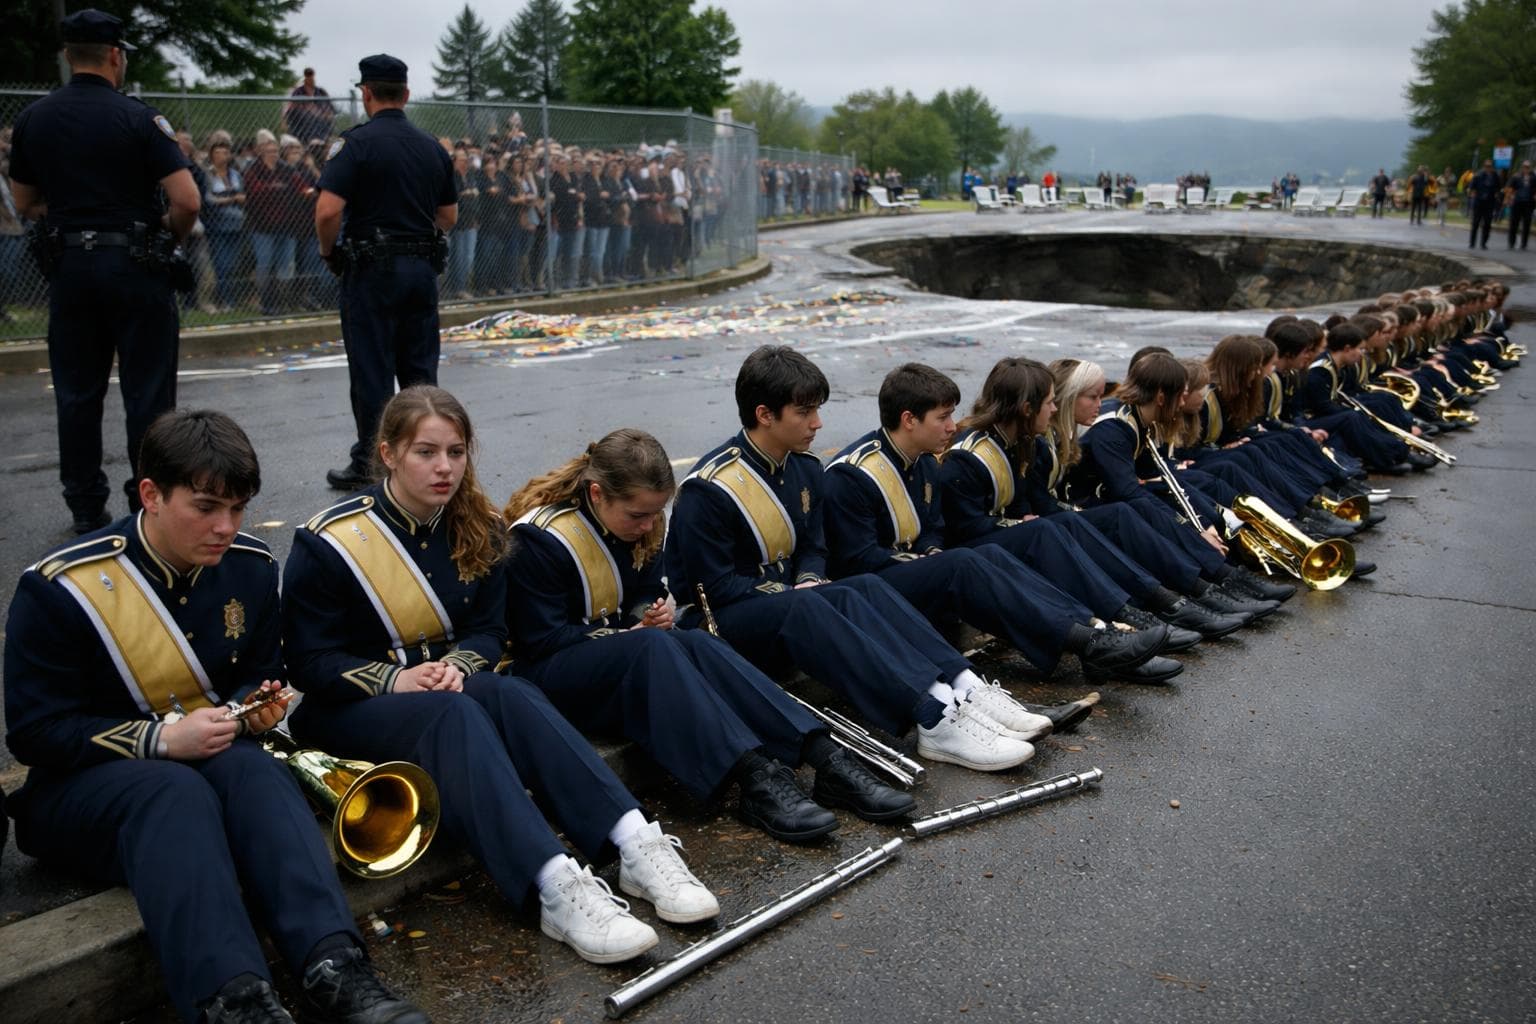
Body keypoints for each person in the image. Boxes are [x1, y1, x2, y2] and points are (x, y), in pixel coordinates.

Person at [4, 409, 428, 1024]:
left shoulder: (250, 568)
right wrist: (159, 739)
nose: (225, 527)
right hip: (81, 790)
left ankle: (336, 966)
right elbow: (35, 733)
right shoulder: (63, 587)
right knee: (170, 790)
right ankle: (233, 1000)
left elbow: (255, 669)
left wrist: (251, 708)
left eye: (238, 509)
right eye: (205, 507)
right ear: (150, 494)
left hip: (203, 763)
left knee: (259, 774)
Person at [285, 386, 715, 965]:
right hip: (352, 707)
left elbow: (489, 633)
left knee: (513, 694)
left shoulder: (478, 525)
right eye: (426, 452)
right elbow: (309, 663)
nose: (444, 468)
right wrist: (397, 681)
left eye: (456, 452)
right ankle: (553, 886)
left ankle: (635, 844)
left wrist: (455, 667)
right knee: (455, 710)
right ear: (387, 454)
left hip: (445, 689)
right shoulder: (329, 540)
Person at [667, 346, 1132, 772]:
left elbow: (814, 546)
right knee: (829, 596)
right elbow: (709, 589)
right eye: (804, 412)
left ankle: (965, 692)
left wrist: (809, 577)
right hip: (727, 620)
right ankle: (932, 720)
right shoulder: (710, 487)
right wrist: (796, 591)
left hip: (791, 603)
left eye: (817, 411)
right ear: (764, 414)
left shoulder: (803, 467)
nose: (818, 424)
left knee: (862, 588)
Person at [503, 429, 914, 842]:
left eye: (654, 513)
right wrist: (629, 633)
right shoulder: (539, 538)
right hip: (550, 672)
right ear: (596, 494)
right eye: (637, 515)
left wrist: (650, 612)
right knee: (653, 645)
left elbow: (644, 589)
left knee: (699, 641)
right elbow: (543, 638)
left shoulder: (639, 520)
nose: (648, 525)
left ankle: (824, 758)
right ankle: (753, 778)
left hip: (620, 652)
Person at [822, 362, 1188, 685]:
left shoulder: (921, 458)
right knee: (969, 560)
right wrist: (928, 559)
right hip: (872, 582)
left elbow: (932, 527)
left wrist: (932, 550)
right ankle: (1095, 643)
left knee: (1000, 551)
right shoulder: (853, 474)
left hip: (912, 566)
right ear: (908, 420)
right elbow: (857, 558)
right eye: (942, 417)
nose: (952, 426)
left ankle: (1098, 637)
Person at [8, 9, 199, 534]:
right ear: (116, 56)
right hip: (136, 264)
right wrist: (164, 236)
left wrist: (74, 220)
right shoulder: (138, 117)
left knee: (76, 390)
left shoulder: (35, 119)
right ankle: (149, 497)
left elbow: (25, 200)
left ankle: (84, 504)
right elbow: (187, 199)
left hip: (70, 266)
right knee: (149, 391)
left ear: (69, 56)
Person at [317, 55, 456, 492]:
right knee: (419, 370)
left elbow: (327, 211)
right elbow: (448, 215)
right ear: (407, 95)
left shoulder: (355, 144)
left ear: (366, 93)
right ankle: (430, 453)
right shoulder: (431, 146)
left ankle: (372, 463)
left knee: (372, 369)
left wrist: (330, 253)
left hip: (372, 269)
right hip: (419, 268)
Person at [284, 68, 336, 144]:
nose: (309, 77)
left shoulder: (321, 92)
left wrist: (323, 114)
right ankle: (310, 140)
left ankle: (320, 140)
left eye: (311, 75)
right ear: (305, 76)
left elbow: (330, 110)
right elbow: (291, 109)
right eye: (307, 75)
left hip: (320, 123)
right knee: (307, 116)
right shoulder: (298, 92)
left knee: (319, 120)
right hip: (302, 125)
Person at [1467, 159, 1500, 250]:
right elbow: (1472, 188)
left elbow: (1498, 188)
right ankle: (1472, 243)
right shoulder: (1478, 175)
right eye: (1486, 166)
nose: (1488, 168)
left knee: (1487, 224)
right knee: (1476, 223)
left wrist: (1496, 197)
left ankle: (1483, 243)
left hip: (1489, 202)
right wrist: (1473, 198)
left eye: (1490, 166)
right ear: (1484, 166)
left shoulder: (1495, 176)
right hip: (1479, 201)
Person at [1506, 160, 1533, 251]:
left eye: (1528, 167)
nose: (1526, 169)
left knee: (1527, 224)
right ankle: (1511, 242)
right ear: (1522, 167)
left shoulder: (1533, 177)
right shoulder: (1516, 177)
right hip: (1517, 202)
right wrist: (1509, 198)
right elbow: (1510, 188)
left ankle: (1524, 244)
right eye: (1525, 167)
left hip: (1528, 203)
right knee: (1514, 223)